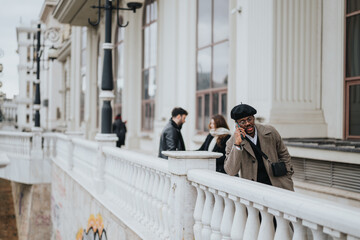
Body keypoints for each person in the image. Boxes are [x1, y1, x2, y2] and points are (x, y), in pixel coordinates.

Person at [224, 103, 294, 191]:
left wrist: (287, 174)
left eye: (250, 119)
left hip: (278, 184)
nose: (248, 123)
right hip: (254, 189)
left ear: (253, 118)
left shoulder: (270, 132)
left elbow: (284, 154)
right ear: (236, 124)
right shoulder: (232, 142)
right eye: (243, 121)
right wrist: (237, 145)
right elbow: (231, 171)